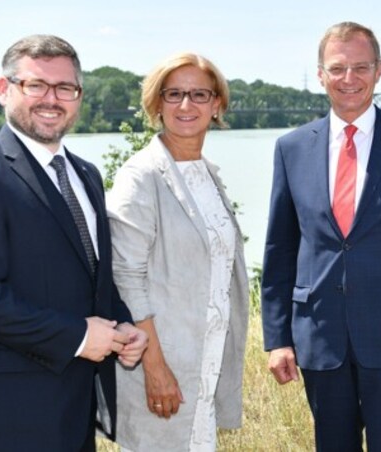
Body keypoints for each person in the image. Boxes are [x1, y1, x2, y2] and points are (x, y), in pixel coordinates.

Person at [0, 34, 148, 451]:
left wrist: (122, 324)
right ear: (4, 89)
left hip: (73, 406)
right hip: (5, 412)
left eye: (65, 88)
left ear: (78, 96)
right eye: (35, 85)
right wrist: (79, 337)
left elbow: (90, 275)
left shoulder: (86, 175)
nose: (51, 99)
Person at [260, 22, 381, 451]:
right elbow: (279, 251)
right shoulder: (291, 148)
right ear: (320, 74)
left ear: (379, 70)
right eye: (338, 68)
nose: (350, 79)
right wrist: (278, 339)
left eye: (361, 67)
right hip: (319, 337)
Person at [107, 53, 249, 452]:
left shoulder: (207, 174)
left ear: (216, 104)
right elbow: (126, 277)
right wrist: (155, 367)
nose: (187, 105)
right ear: (157, 104)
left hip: (203, 364)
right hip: (163, 367)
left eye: (199, 94)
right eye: (174, 94)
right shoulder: (141, 177)